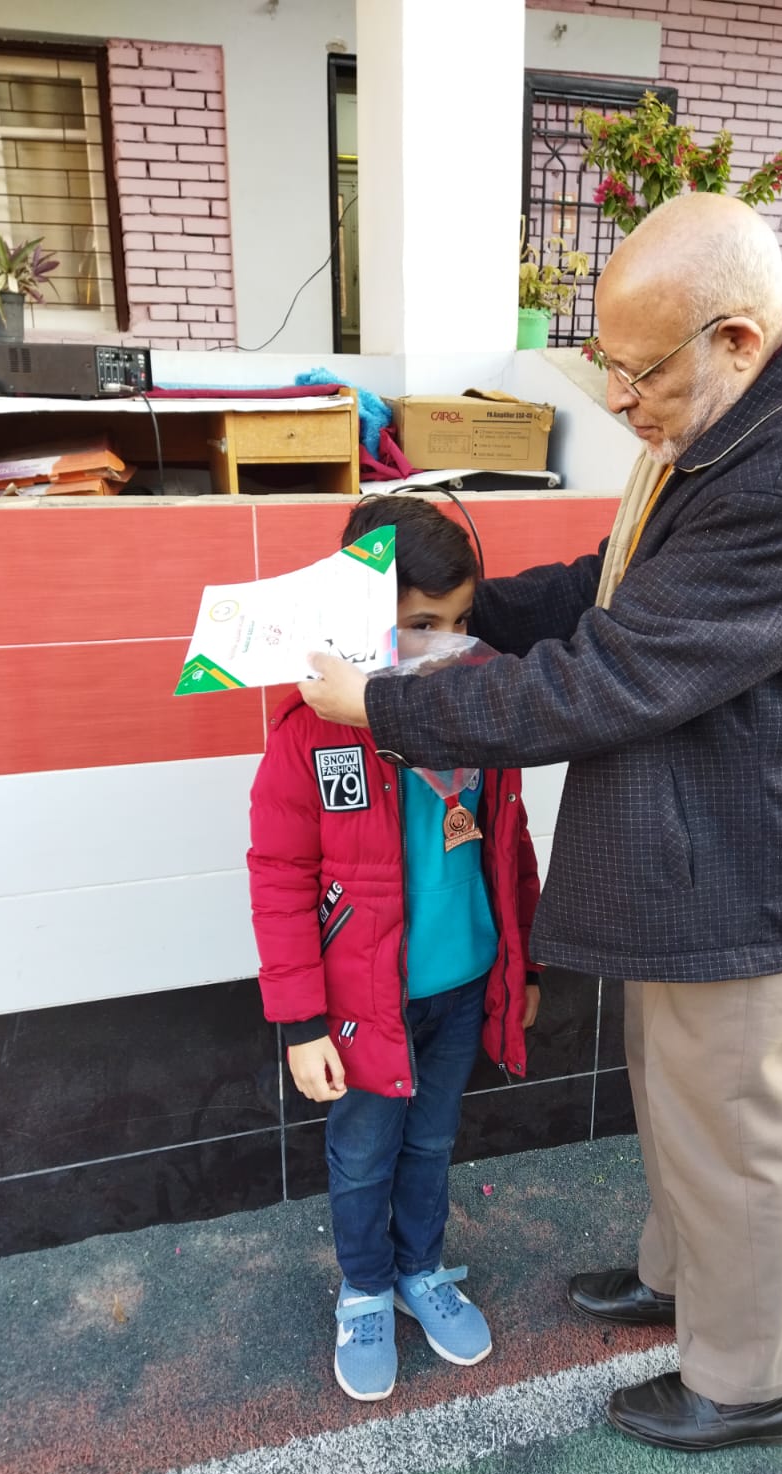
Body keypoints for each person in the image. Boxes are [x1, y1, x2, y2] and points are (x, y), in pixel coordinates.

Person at [298, 192, 782, 1450]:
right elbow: (616, 592)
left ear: (737, 338)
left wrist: (388, 700)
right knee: (682, 1104)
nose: (621, 403)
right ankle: (683, 1280)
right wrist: (466, 611)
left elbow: (607, 678)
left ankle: (748, 1383)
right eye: (608, 369)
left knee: (735, 1136)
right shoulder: (732, 419)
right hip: (698, 857)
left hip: (745, 871)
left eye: (639, 377)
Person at [248, 495, 541, 1403]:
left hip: (463, 982)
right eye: (421, 624)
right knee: (364, 1153)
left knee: (433, 1142)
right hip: (361, 1004)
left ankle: (419, 1269)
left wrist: (523, 966)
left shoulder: (478, 714)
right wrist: (301, 1023)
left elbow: (510, 844)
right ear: (363, 616)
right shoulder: (311, 736)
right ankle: (366, 1289)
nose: (444, 646)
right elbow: (279, 878)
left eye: (458, 623)